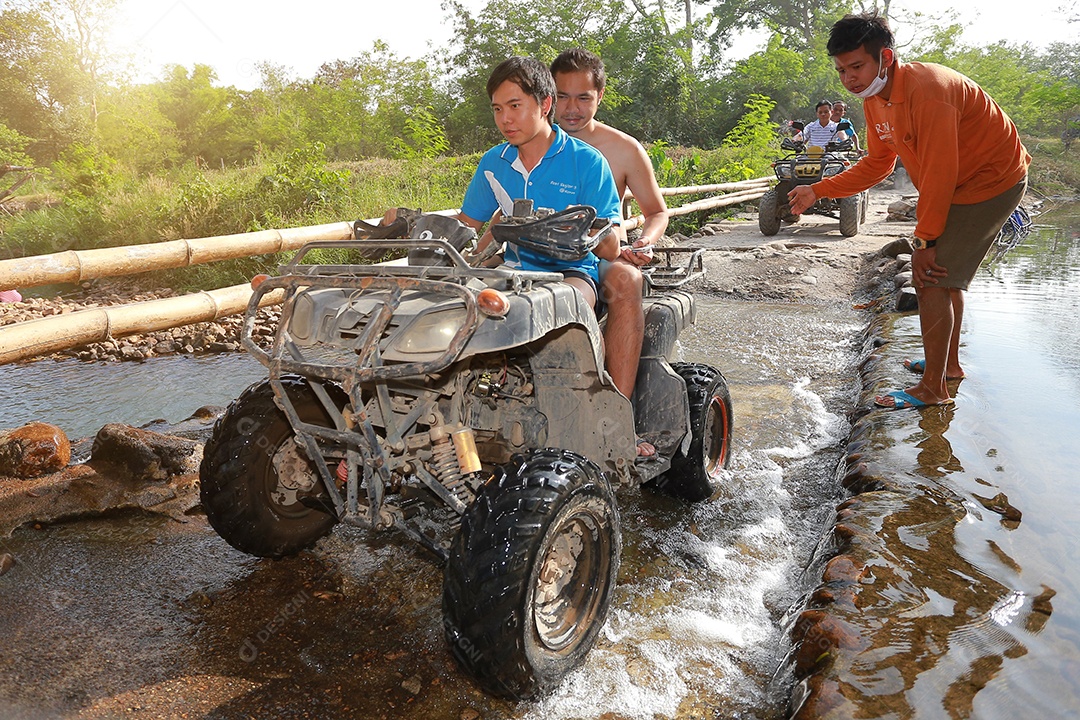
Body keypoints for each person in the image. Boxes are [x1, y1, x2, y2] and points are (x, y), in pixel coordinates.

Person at [788, 13, 1030, 410]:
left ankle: (933, 390)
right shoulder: (874, 100)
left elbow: (938, 174)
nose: (849, 79)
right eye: (841, 70)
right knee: (945, 278)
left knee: (930, 276)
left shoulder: (928, 90)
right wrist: (818, 189)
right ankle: (947, 366)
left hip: (991, 182)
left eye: (857, 67)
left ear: (885, 57)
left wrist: (925, 241)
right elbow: (878, 164)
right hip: (956, 182)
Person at [457, 56, 648, 440]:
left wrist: (575, 230)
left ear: (545, 105)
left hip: (571, 274)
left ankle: (612, 422)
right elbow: (465, 227)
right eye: (497, 109)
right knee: (452, 310)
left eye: (515, 106)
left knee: (560, 306)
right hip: (510, 271)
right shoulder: (494, 162)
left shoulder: (587, 162)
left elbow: (609, 245)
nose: (505, 119)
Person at [550, 47, 669, 457]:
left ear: (600, 96)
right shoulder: (529, 143)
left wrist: (644, 242)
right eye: (562, 96)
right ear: (547, 96)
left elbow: (656, 212)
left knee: (626, 278)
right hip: (535, 252)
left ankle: (618, 415)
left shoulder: (622, 149)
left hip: (601, 251)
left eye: (583, 97)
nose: (572, 108)